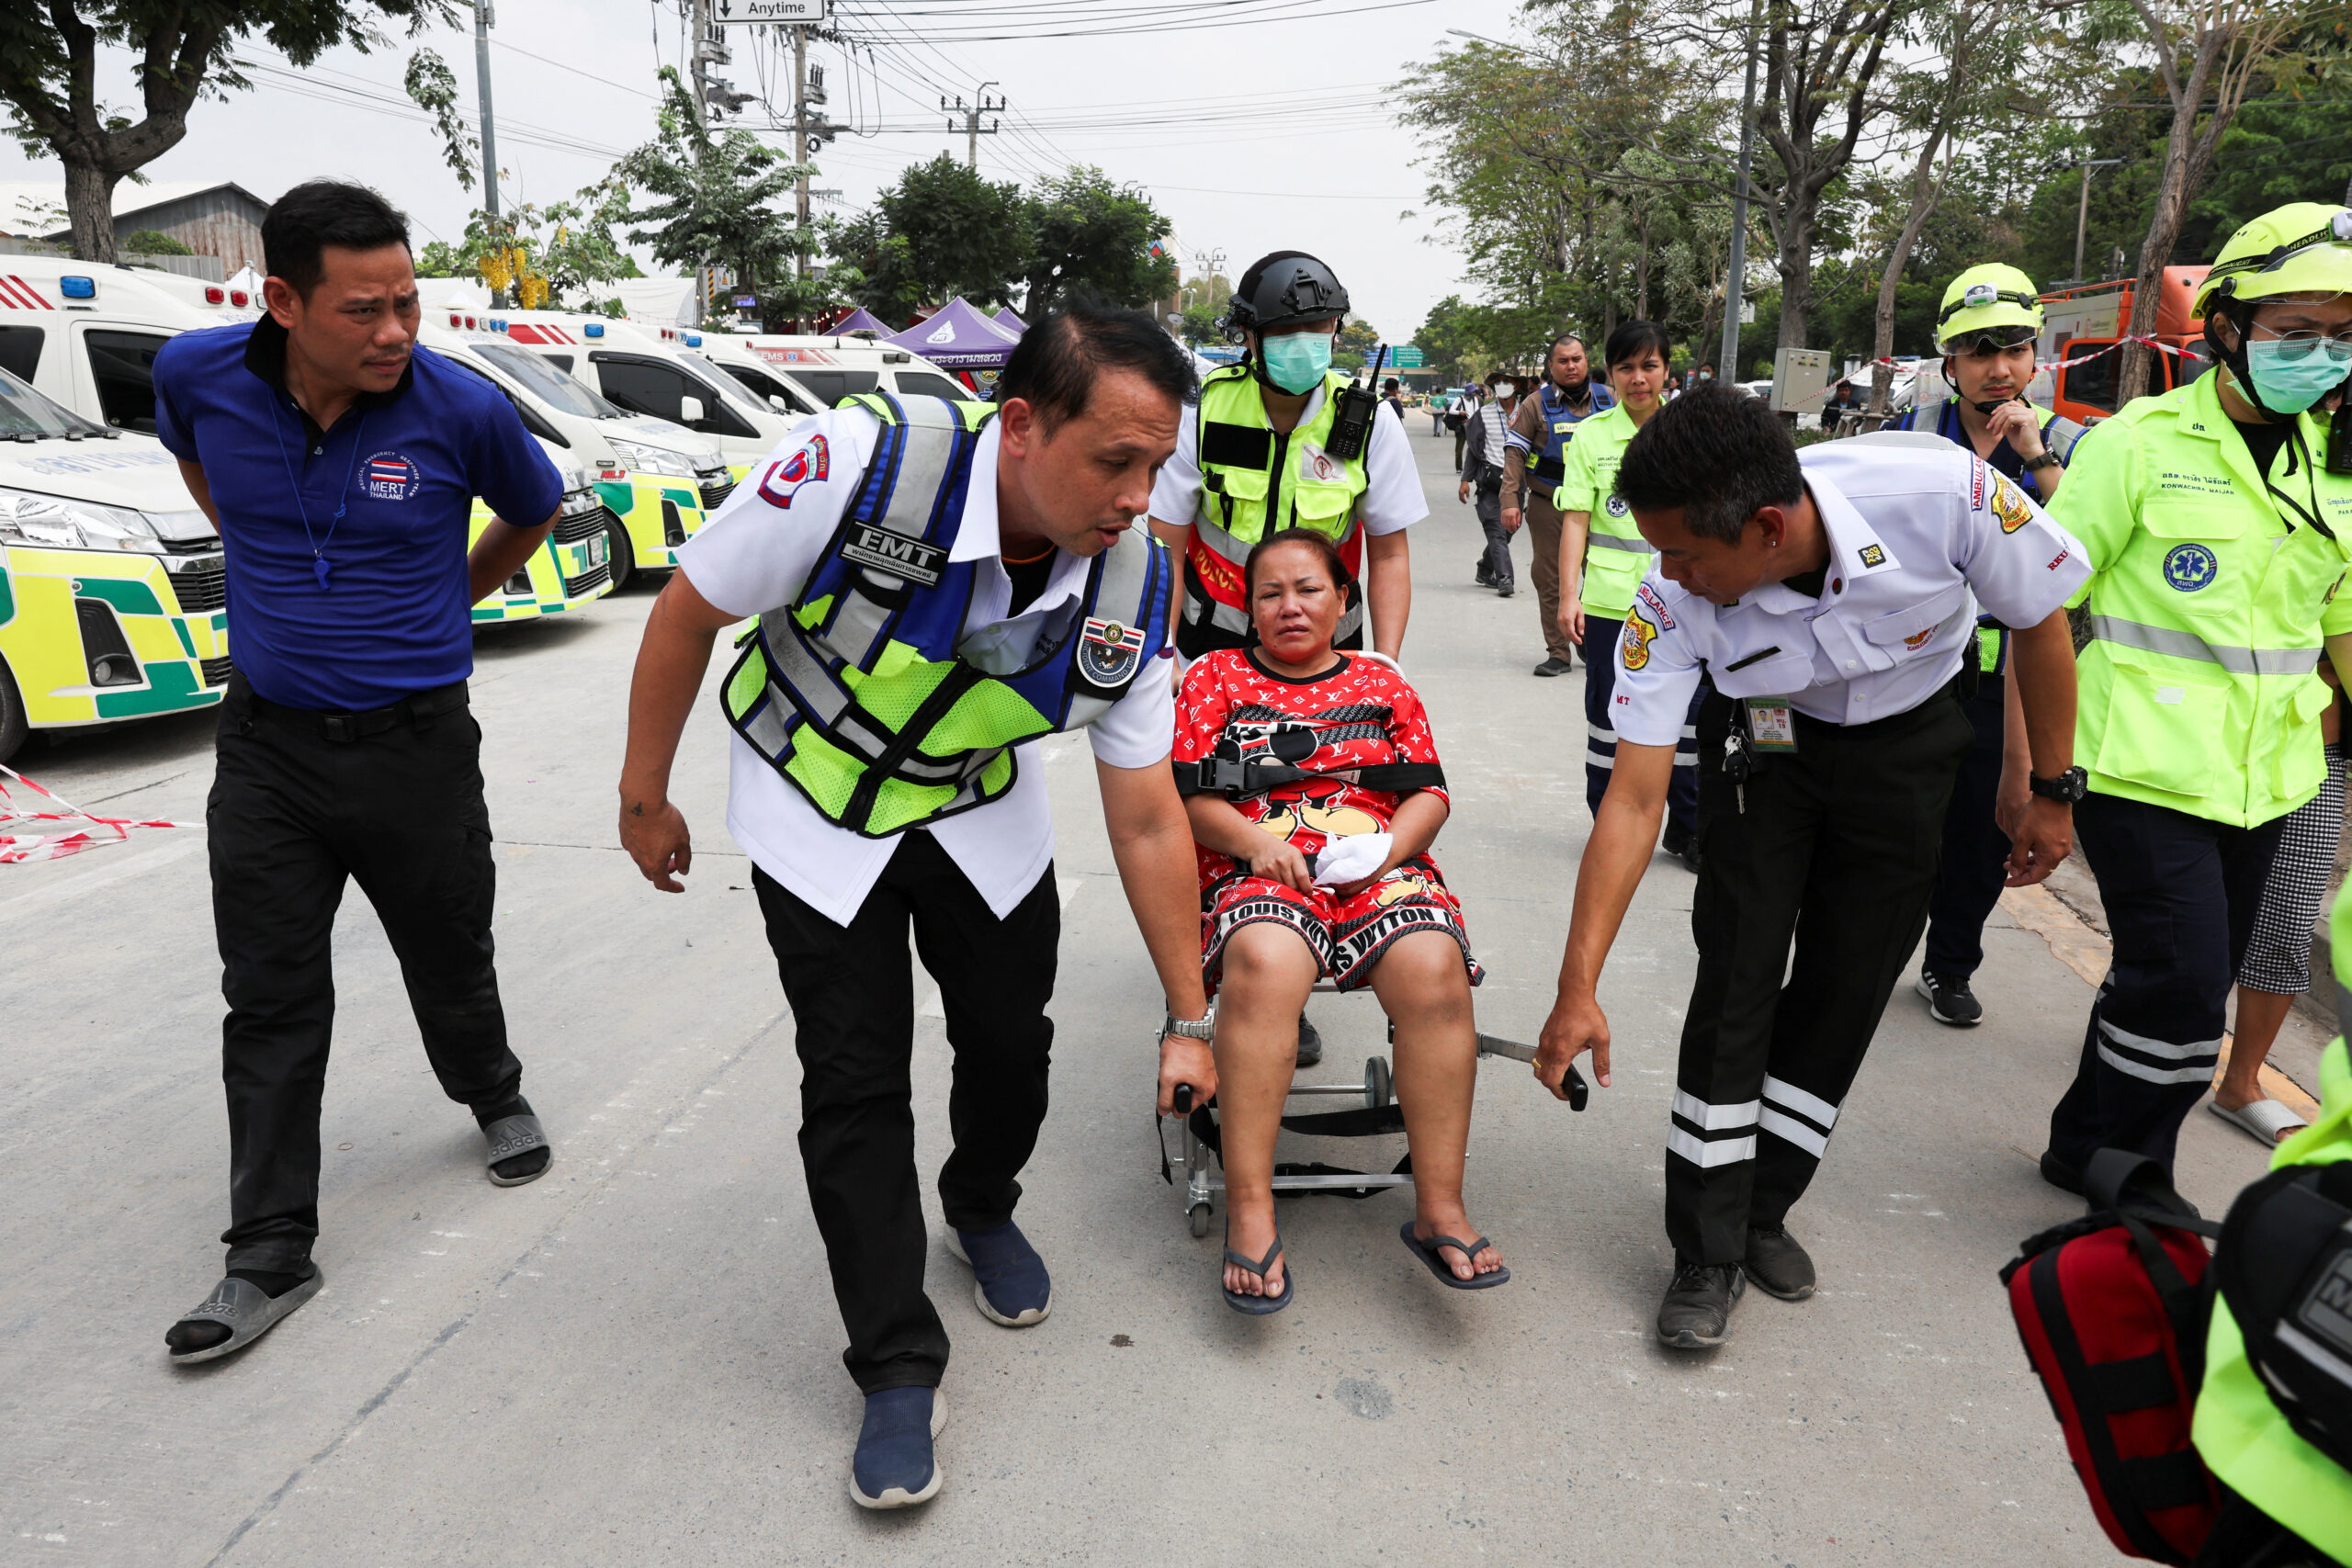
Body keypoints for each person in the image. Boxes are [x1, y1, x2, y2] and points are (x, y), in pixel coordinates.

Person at [616, 304, 1213, 1509]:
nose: (1137, 497)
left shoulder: (1135, 585)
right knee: (855, 1081)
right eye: (1114, 461)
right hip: (815, 804)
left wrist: (1190, 1015)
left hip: (976, 809)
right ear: (1021, 424)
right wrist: (645, 794)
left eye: (1156, 466)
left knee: (1010, 1045)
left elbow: (1149, 816)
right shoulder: (863, 464)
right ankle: (895, 1362)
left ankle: (979, 1204)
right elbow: (691, 605)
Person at [1532, 386, 2086, 1349]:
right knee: (1737, 975)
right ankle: (1704, 1248)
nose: (1665, 574)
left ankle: (1762, 1209)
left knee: (1849, 981)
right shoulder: (1669, 598)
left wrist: (2048, 786)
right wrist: (1576, 987)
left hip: (1910, 743)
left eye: (1685, 554)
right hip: (1769, 745)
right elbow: (1633, 800)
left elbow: (2041, 618)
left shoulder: (1940, 492)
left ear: (1766, 527)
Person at [149, 182, 565, 1366]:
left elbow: (534, 508)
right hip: (267, 750)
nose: (395, 332)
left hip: (415, 747)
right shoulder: (196, 374)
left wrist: (448, 600)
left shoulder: (460, 407)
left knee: (447, 945)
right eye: (364, 310)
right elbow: (197, 464)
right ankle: (269, 1249)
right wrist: (263, 549)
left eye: (408, 305)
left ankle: (490, 1089)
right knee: (269, 994)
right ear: (283, 302)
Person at [2042, 203, 2352, 1191]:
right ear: (2223, 327)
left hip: (2271, 776)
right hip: (2138, 765)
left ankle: (2078, 1141)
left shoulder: (2335, 461)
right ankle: (2133, 1178)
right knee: (2184, 985)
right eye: (2295, 331)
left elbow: (2340, 620)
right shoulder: (2137, 443)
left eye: (2341, 335)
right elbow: (2039, 602)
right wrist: (2034, 777)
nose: (2321, 355)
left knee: (2169, 973)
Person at [1171, 528, 1503, 1311]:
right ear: (1249, 608)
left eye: (1309, 589)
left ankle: (1440, 1206)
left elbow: (1430, 792)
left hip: (1375, 867)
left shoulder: (1382, 682)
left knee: (1433, 965)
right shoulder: (1213, 676)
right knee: (1265, 958)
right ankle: (1252, 1207)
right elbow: (1188, 798)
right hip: (1259, 866)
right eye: (1270, 593)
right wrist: (1256, 844)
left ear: (1343, 598)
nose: (1289, 606)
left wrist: (1389, 849)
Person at [1149, 250, 1430, 1071]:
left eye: (1320, 328)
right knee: (1200, 808)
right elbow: (1166, 543)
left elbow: (1390, 551)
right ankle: (1209, 972)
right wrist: (1163, 651)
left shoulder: (1365, 421)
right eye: (1288, 330)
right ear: (1250, 336)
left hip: (1323, 654)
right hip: (1211, 646)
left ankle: (1284, 976)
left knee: (1300, 802)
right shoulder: (1205, 410)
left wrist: (1386, 663)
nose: (1307, 342)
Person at [1885, 264, 2088, 1029]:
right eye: (1978, 351)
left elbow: (2083, 551)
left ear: (2036, 356)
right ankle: (1868, 955)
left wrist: (2037, 458)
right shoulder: (1911, 434)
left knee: (1982, 828)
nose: (1997, 367)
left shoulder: (2069, 443)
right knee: (1899, 824)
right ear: (1950, 361)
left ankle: (1950, 963)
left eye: (2013, 348)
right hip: (1916, 666)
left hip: (2012, 677)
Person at [1553, 321, 1703, 870]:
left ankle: (1690, 826)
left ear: (1667, 371)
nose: (1638, 379)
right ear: (1610, 375)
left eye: (1649, 366)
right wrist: (1568, 596)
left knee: (1690, 724)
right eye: (1626, 368)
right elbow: (1576, 520)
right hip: (1611, 604)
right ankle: (1609, 824)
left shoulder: (1692, 432)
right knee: (1608, 720)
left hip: (1687, 603)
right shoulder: (1591, 436)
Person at [2217, 671, 2343, 1145]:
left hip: (2317, 757)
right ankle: (2136, 1030)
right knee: (2181, 904)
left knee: (2288, 923)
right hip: (2218, 738)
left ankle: (2241, 1082)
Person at [1504, 333, 1615, 677]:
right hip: (1549, 503)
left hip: (1601, 506)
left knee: (1601, 575)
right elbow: (1515, 453)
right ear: (1551, 366)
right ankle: (1558, 652)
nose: (1571, 366)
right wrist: (1509, 500)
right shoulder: (1534, 405)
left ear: (1586, 361)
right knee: (1549, 579)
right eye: (1563, 361)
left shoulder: (1609, 399)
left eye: (1577, 359)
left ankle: (1592, 638)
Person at [1461, 368, 1521, 598]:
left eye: (1507, 381)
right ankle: (1505, 578)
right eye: (1498, 382)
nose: (1503, 385)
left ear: (1516, 385)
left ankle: (1485, 569)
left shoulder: (1527, 412)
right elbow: (1474, 449)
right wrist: (1465, 480)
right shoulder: (1483, 415)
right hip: (1490, 481)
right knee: (1496, 529)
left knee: (1508, 530)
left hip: (1516, 484)